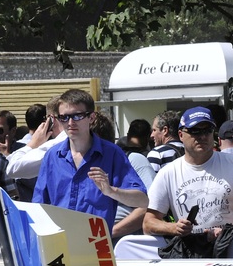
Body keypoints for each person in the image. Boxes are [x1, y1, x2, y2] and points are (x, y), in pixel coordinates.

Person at [32, 88, 148, 236]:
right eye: (64, 117)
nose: (70, 122)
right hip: (58, 244)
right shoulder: (52, 156)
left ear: (91, 118)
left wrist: (111, 191)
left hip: (96, 246)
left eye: (78, 116)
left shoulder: (112, 154)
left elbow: (142, 201)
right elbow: (37, 206)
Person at [144, 106, 233, 238]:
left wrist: (229, 232)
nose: (202, 136)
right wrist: (174, 227)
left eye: (207, 130)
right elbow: (148, 223)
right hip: (191, 253)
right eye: (195, 131)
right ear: (181, 135)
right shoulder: (168, 173)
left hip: (230, 248)